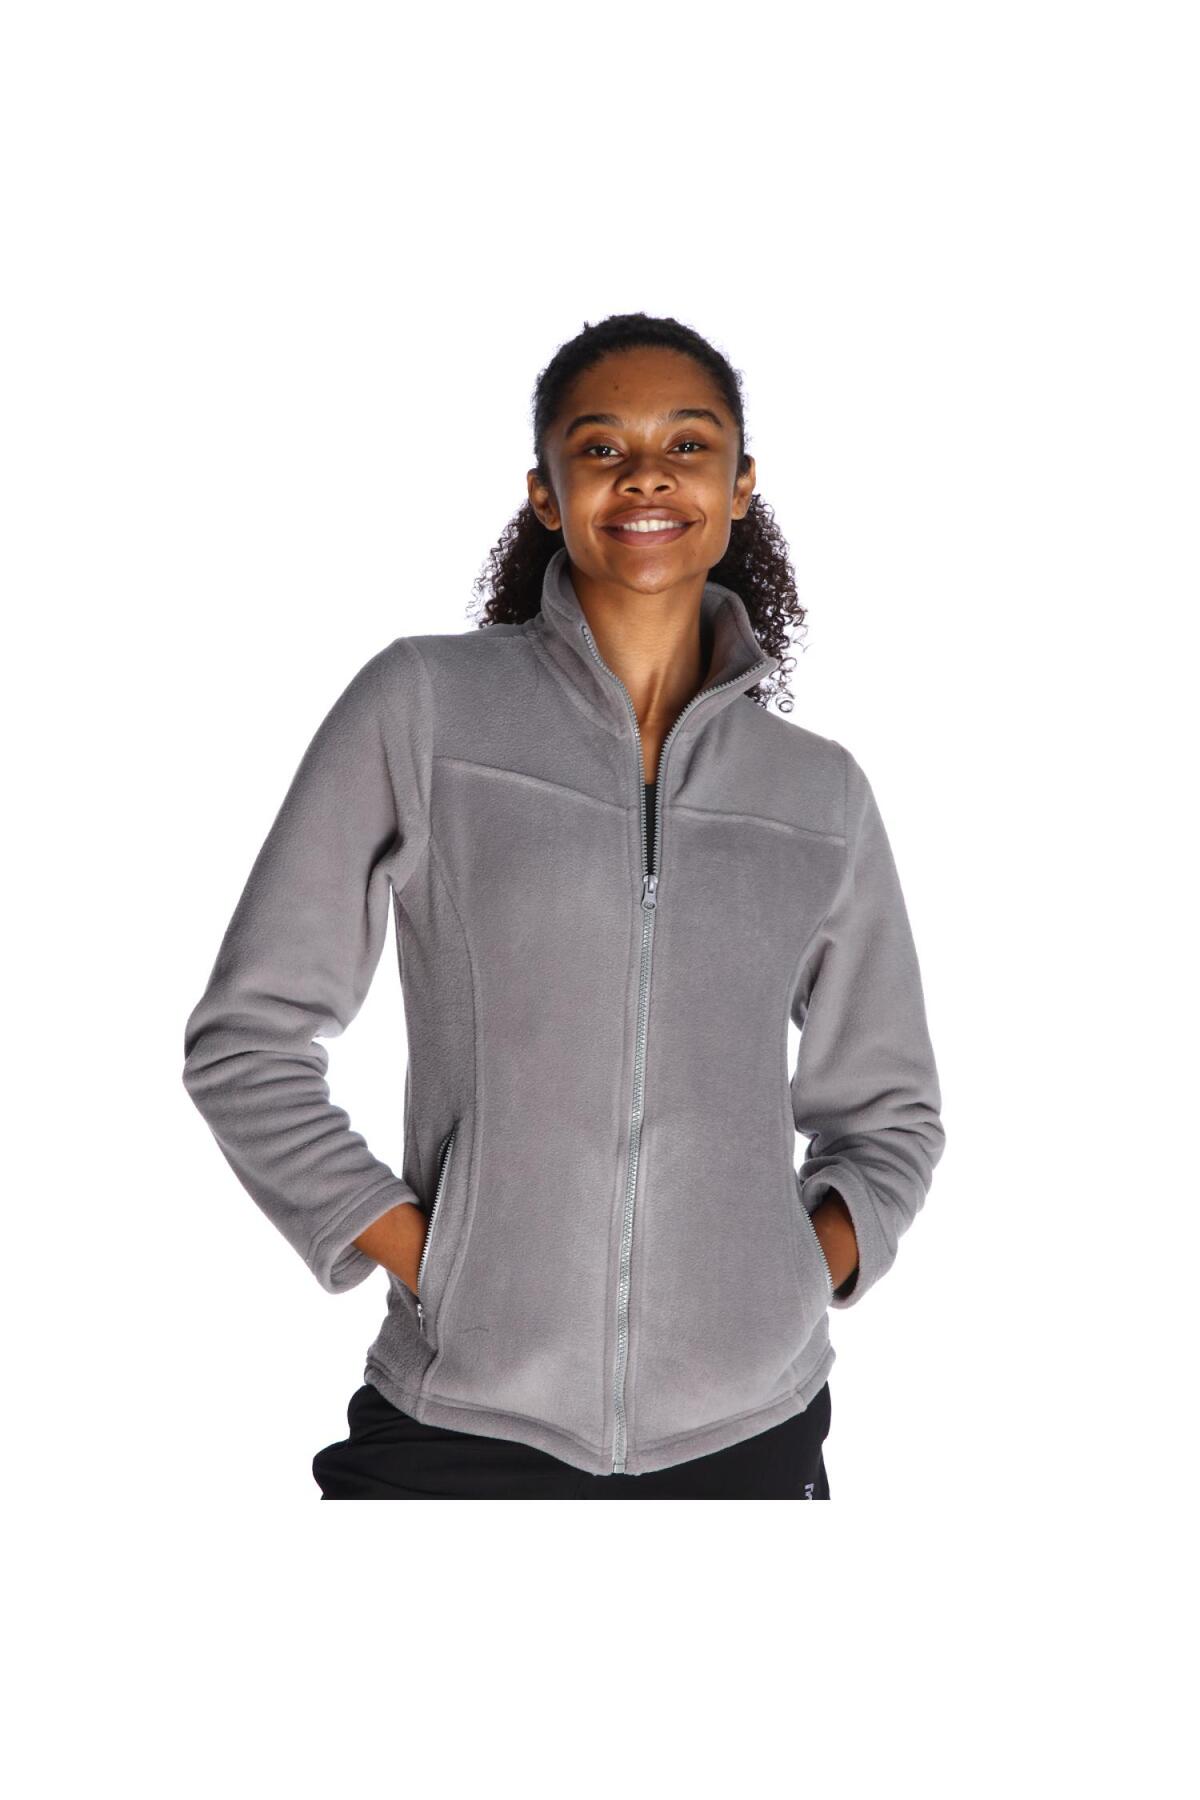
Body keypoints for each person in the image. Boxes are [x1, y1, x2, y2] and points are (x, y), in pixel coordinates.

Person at [181, 311, 945, 1500]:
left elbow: (892, 1115)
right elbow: (247, 1043)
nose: (646, 474)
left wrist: (797, 1274)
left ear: (740, 487)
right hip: (462, 1417)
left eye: (687, 445)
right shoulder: (425, 708)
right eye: (600, 448)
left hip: (751, 1429)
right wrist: (438, 1264)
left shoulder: (817, 792)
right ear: (546, 493)